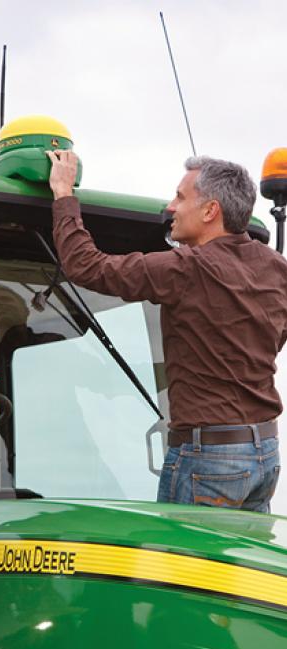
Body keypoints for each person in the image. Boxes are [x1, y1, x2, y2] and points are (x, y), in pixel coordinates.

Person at [47, 149, 287, 511]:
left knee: (182, 566)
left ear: (210, 211)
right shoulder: (276, 267)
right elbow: (273, 338)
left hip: (210, 456)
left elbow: (86, 266)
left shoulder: (187, 268)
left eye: (180, 196)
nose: (171, 207)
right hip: (264, 453)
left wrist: (64, 195)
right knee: (238, 567)